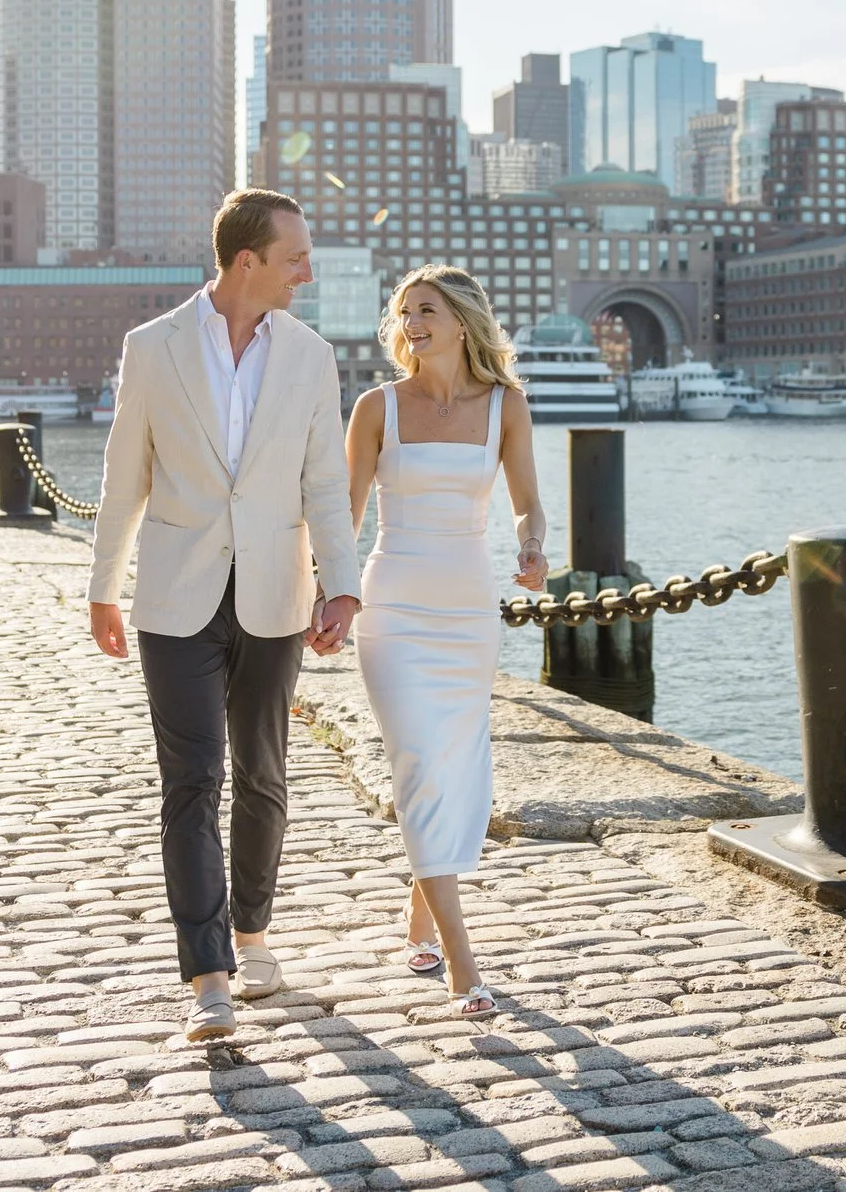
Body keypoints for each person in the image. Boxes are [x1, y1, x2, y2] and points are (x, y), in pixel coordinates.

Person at [86, 189, 362, 1044]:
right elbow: (124, 472)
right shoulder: (152, 348)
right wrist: (104, 584)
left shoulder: (312, 356)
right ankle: (208, 973)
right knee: (192, 777)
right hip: (176, 594)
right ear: (247, 261)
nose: (306, 271)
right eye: (294, 257)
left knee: (263, 776)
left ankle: (253, 932)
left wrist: (340, 582)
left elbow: (324, 481)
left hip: (277, 590)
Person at [343, 266, 547, 1018]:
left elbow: (528, 505)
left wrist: (533, 550)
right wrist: (327, 595)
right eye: (403, 312)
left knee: (457, 764)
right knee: (419, 760)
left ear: (463, 321)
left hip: (467, 609)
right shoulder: (375, 408)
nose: (412, 323)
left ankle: (422, 911)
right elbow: (346, 515)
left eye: (426, 309)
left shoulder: (506, 407)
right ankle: (465, 964)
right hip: (392, 604)